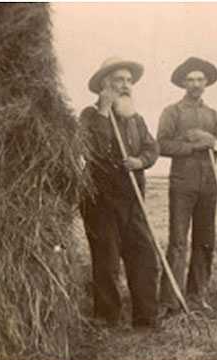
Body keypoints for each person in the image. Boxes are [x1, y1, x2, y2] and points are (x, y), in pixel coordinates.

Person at [79, 57, 160, 328]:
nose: (125, 85)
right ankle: (107, 318)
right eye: (119, 80)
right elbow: (95, 149)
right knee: (107, 260)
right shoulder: (90, 116)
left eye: (129, 81)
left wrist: (140, 162)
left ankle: (146, 318)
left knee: (144, 256)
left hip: (133, 198)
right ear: (105, 84)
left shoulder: (136, 119)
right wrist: (103, 110)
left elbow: (152, 149)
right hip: (100, 200)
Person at [157, 57, 217, 314]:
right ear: (182, 83)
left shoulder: (213, 115)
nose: (195, 84)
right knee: (178, 242)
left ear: (207, 82)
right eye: (190, 79)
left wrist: (210, 140)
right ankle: (169, 301)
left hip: (209, 185)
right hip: (182, 184)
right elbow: (162, 145)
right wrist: (193, 146)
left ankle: (197, 296)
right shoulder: (172, 112)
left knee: (205, 241)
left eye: (200, 79)